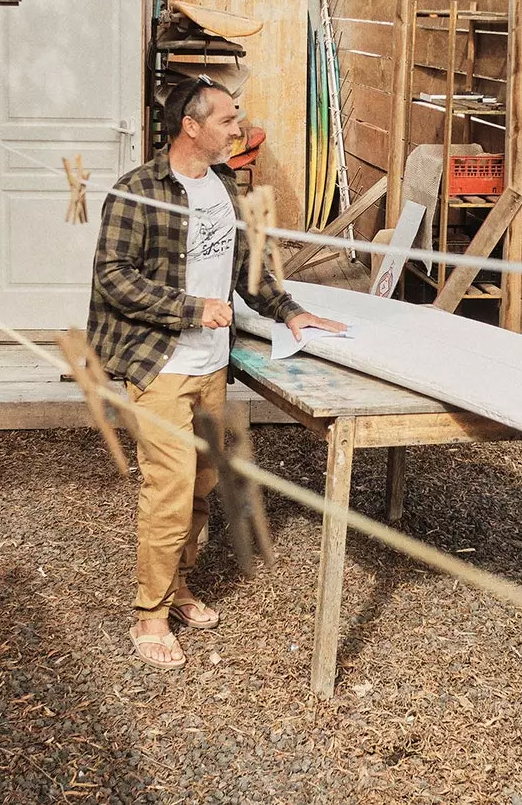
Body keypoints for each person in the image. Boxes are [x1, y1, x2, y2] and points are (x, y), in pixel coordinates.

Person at [89, 75, 344, 670]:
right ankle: (148, 615)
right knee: (170, 487)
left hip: (210, 365)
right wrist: (190, 308)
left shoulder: (225, 186)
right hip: (158, 362)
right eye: (230, 120)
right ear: (192, 126)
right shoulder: (138, 191)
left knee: (202, 483)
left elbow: (248, 268)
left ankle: (178, 586)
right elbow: (114, 277)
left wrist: (294, 313)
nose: (241, 130)